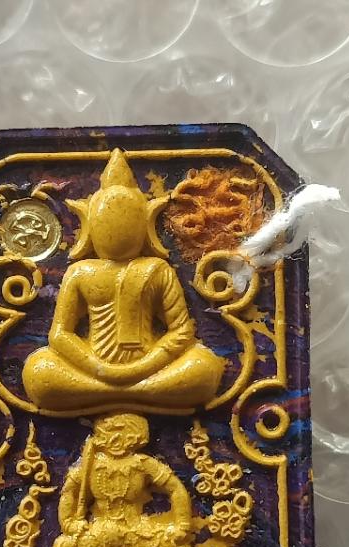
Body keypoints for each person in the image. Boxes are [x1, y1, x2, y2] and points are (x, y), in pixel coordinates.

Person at [22, 149, 224, 416]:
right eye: (106, 219)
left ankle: (109, 395)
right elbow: (60, 335)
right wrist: (99, 368)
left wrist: (140, 369)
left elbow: (181, 332)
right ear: (89, 223)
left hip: (148, 369)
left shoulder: (157, 269)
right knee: (40, 370)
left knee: (203, 367)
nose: (117, 227)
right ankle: (134, 394)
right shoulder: (80, 272)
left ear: (146, 222)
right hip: (94, 371)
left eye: (128, 219)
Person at [53, 413, 238, 547]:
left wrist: (182, 526)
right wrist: (69, 523)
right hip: (100, 536)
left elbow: (175, 489)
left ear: (135, 437)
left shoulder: (142, 464)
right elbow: (69, 493)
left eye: (121, 433)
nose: (115, 439)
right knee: (63, 545)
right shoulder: (89, 466)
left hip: (138, 535)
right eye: (109, 432)